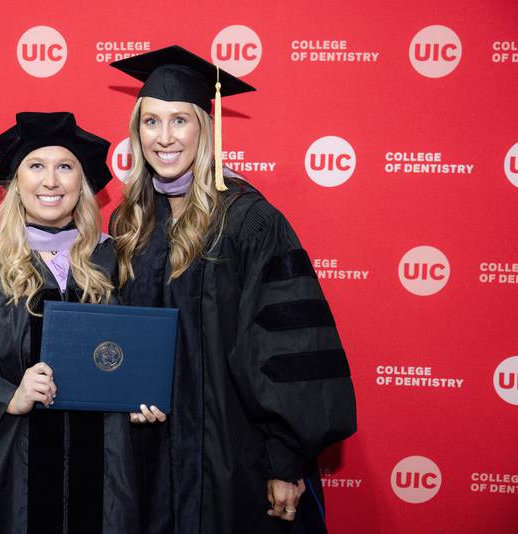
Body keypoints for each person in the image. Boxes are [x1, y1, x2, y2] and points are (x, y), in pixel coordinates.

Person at [109, 46, 357, 533]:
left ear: (206, 127)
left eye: (180, 120)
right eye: (151, 122)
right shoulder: (130, 222)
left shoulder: (249, 221)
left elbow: (287, 342)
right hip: (149, 453)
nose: (164, 138)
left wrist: (286, 459)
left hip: (232, 455)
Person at [0, 112, 139, 533]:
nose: (51, 181)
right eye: (36, 166)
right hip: (11, 477)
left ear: (83, 184)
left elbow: (145, 354)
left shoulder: (118, 261)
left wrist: (144, 396)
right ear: (16, 184)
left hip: (105, 473)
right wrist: (5, 396)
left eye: (65, 167)